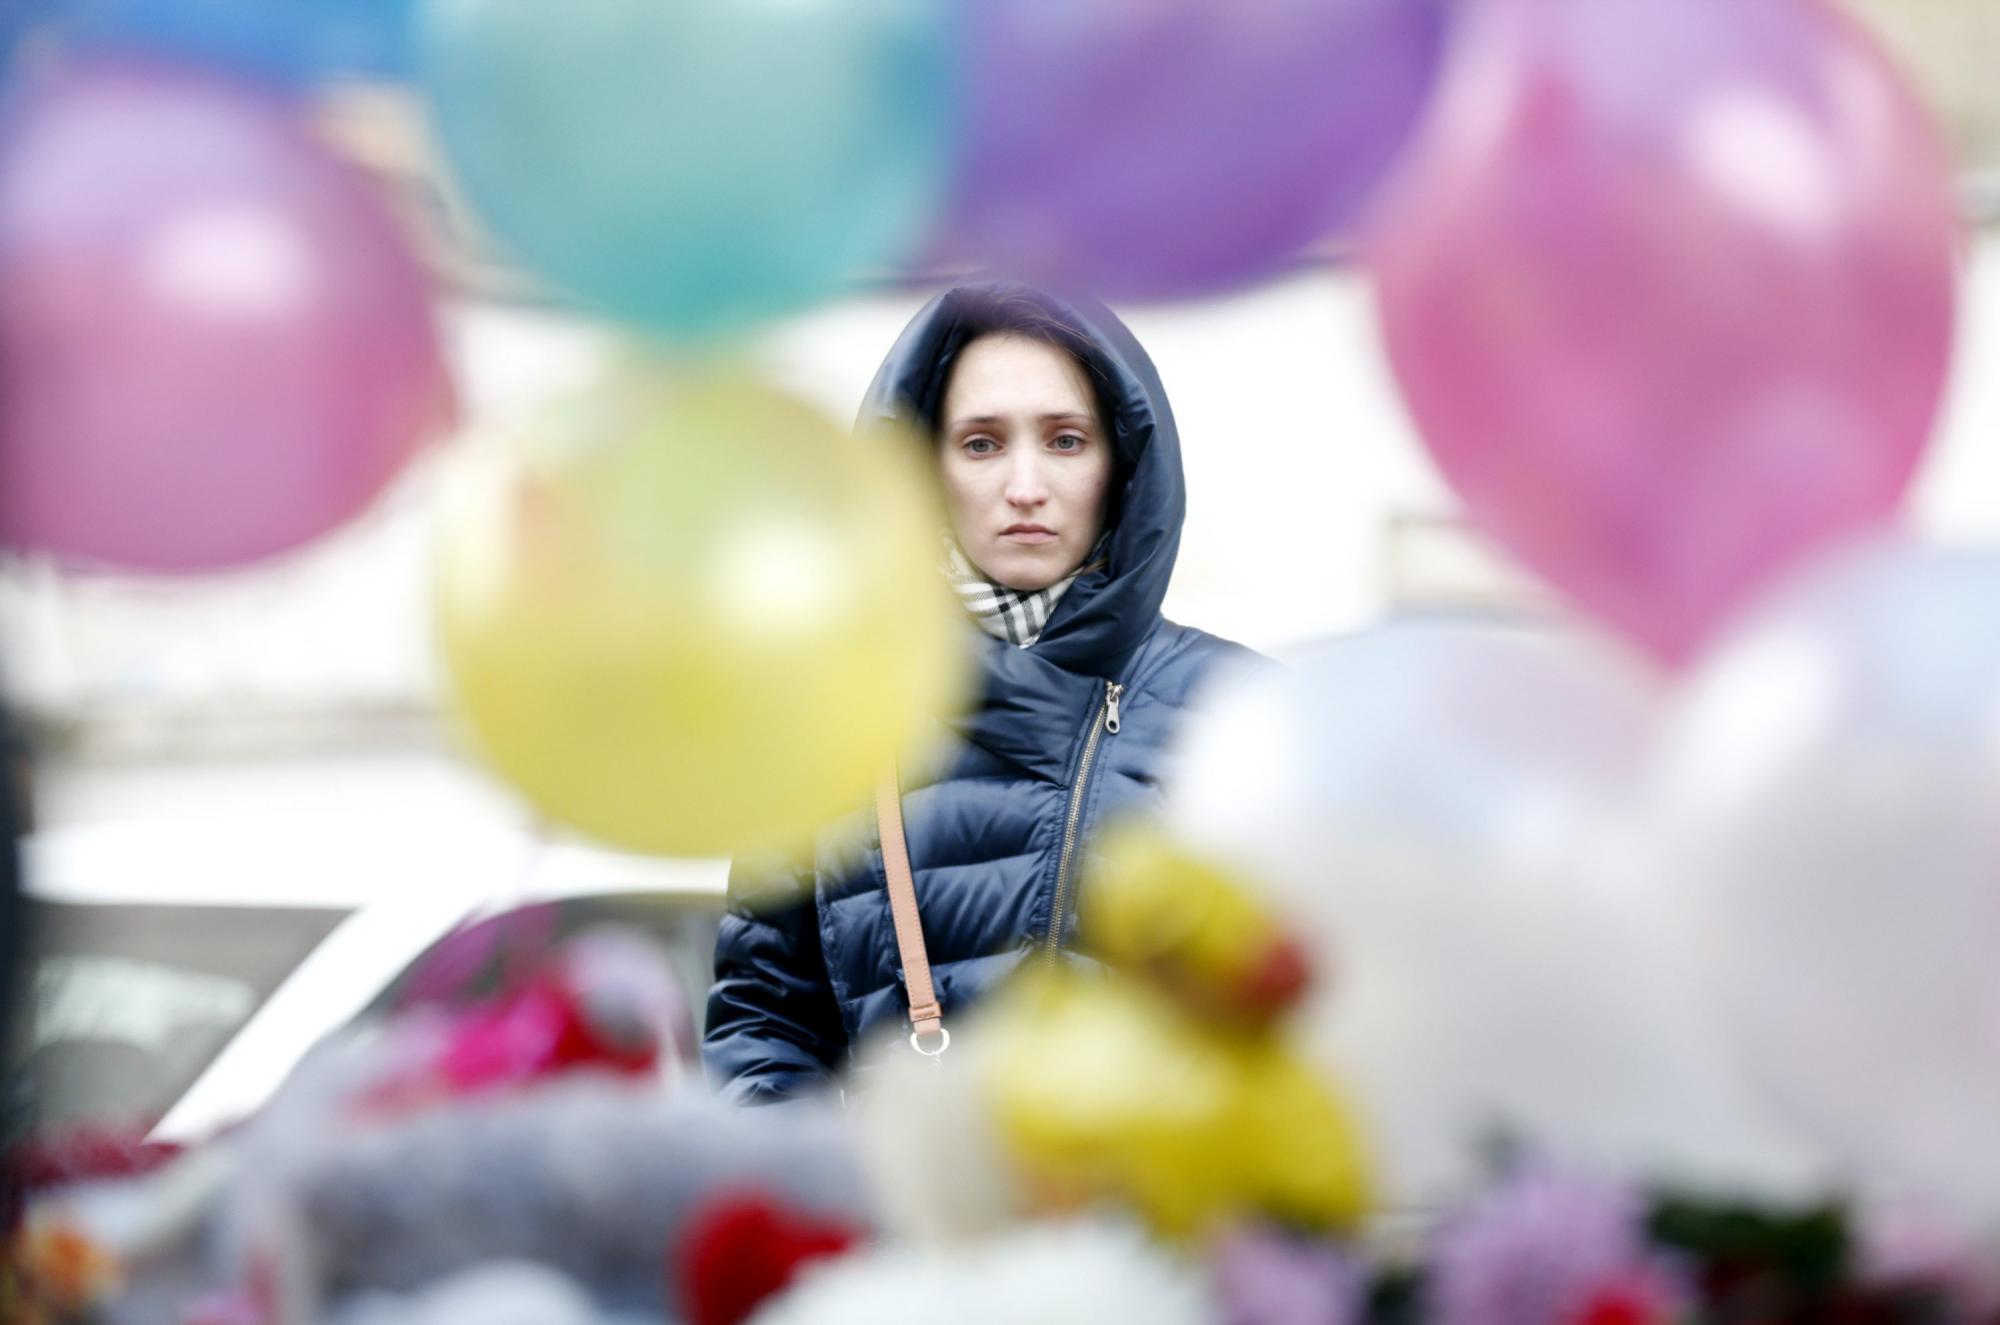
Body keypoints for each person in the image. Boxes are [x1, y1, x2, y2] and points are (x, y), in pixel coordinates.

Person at [703, 281, 1256, 1104]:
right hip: (903, 1225)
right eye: (981, 443)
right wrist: (825, 1206)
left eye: (1066, 440)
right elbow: (764, 1024)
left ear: (1123, 462)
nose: (1025, 485)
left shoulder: (1237, 711)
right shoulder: (825, 717)